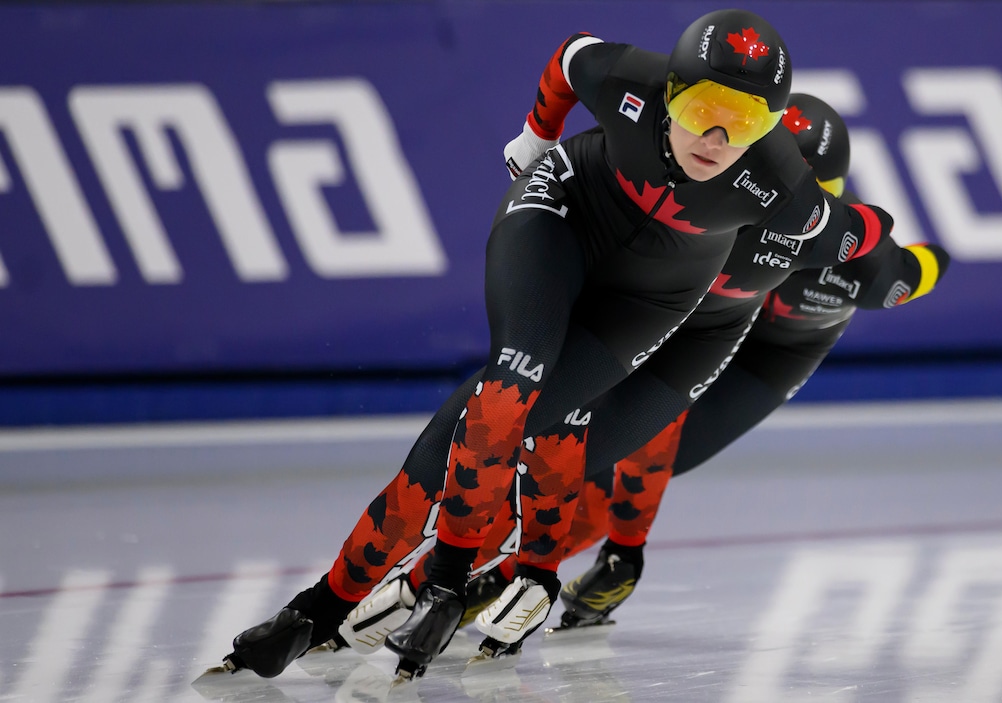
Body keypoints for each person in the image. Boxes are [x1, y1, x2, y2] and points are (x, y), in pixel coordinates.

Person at [212, 9, 895, 682]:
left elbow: (864, 235)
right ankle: (403, 590)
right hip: (566, 216)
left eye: (743, 121)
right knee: (507, 390)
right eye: (703, 107)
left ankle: (387, 594)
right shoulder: (629, 82)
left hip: (650, 302)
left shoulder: (789, 199)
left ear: (769, 132)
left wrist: (885, 254)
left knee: (517, 437)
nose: (715, 136)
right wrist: (538, 132)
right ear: (671, 90)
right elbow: (571, 56)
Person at [331, 94, 948, 656]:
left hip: (772, 353)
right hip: (708, 322)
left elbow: (922, 269)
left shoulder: (858, 267)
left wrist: (625, 549)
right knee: (577, 450)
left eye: (807, 208)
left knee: (624, 464)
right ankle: (442, 578)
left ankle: (465, 578)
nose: (780, 217)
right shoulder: (705, 215)